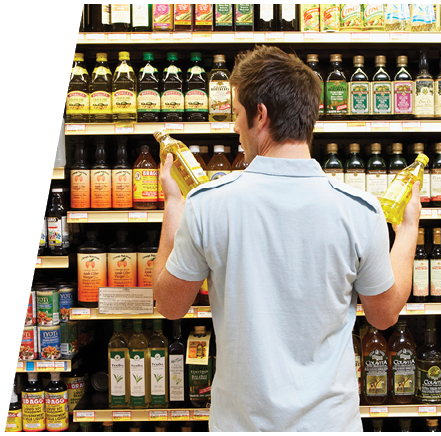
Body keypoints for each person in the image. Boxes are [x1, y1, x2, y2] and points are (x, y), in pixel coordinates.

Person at [152, 45, 421, 432]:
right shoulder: (359, 210)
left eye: (237, 115)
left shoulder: (209, 204)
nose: (234, 127)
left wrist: (174, 204)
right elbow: (384, 314)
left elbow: (169, 303)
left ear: (260, 115)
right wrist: (409, 229)